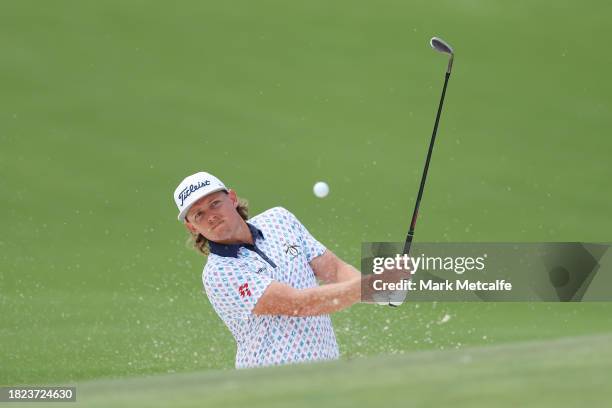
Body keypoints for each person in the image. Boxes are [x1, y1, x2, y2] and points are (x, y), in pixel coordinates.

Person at [173, 171, 365, 368]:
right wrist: (372, 285)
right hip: (270, 386)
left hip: (327, 371)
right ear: (192, 227)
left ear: (232, 198)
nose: (211, 216)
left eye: (215, 203)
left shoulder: (279, 219)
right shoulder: (218, 273)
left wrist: (385, 289)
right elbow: (299, 304)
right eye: (199, 214)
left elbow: (336, 270)